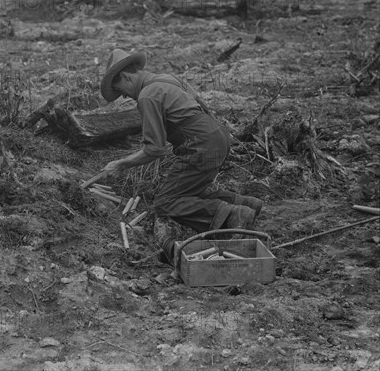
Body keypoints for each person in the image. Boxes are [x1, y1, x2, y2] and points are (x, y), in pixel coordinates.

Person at [99, 49, 263, 240]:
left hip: (201, 144)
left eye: (120, 91)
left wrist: (122, 164)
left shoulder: (147, 96)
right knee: (190, 192)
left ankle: (235, 215)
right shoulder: (166, 79)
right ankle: (247, 204)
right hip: (217, 136)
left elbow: (155, 149)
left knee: (166, 202)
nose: (125, 97)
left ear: (127, 77)